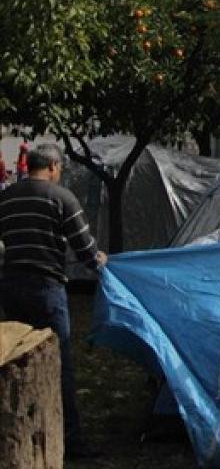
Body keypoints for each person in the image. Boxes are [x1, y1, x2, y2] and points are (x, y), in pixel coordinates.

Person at [0, 143, 107, 458]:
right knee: (57, 363)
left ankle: (19, 432)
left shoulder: (6, 198)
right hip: (46, 289)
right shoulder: (62, 198)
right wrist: (100, 261)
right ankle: (70, 441)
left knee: (17, 362)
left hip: (10, 287)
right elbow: (84, 248)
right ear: (53, 166)